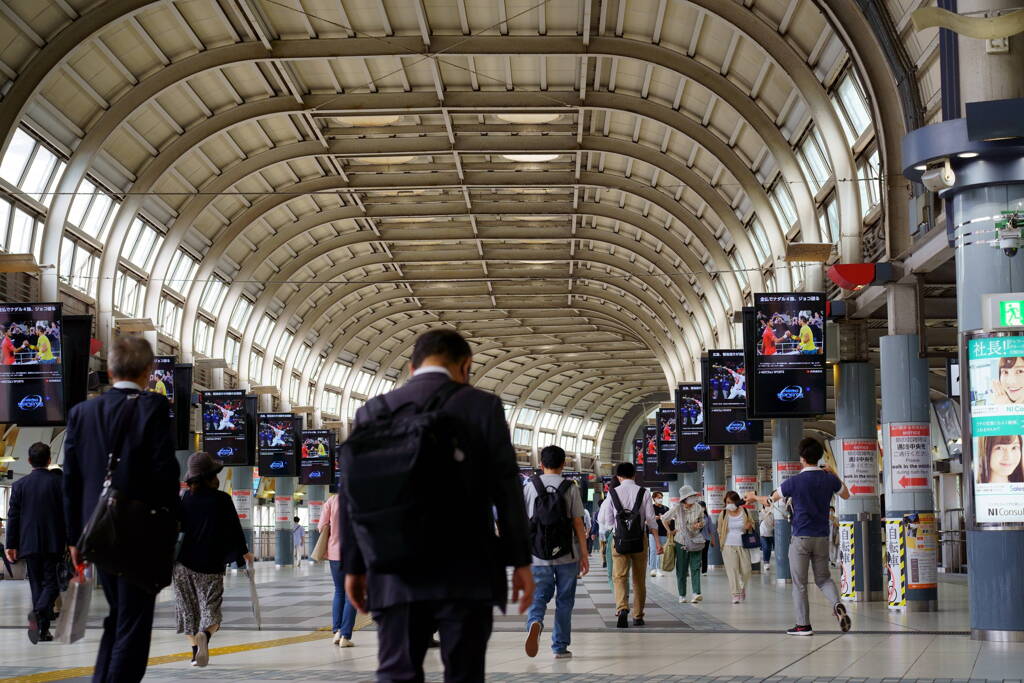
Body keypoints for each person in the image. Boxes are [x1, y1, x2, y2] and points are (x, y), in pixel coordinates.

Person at [341, 328, 533, 683]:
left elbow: (353, 493)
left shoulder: (374, 411)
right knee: (464, 673)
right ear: (466, 366)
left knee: (398, 672)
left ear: (411, 368)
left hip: (392, 569)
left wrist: (354, 566)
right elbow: (506, 487)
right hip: (467, 567)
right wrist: (520, 561)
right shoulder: (482, 406)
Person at [63, 335, 180, 682]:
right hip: (138, 533)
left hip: (96, 530)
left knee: (118, 617)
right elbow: (165, 474)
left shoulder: (81, 412)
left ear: (109, 370)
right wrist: (169, 525)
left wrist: (75, 537)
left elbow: (71, 480)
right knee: (133, 624)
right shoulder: (153, 407)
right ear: (148, 371)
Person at [746, 437, 852, 636]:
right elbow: (846, 494)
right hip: (822, 537)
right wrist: (834, 474)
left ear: (802, 458)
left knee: (800, 583)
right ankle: (837, 604)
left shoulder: (793, 482)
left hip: (801, 538)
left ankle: (803, 625)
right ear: (819, 456)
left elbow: (770, 501)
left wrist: (752, 497)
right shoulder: (829, 479)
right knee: (824, 579)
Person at [173, 452, 251, 668]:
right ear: (211, 477)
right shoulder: (222, 500)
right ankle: (205, 637)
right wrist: (243, 554)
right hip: (210, 565)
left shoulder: (184, 498)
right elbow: (235, 531)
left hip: (182, 565)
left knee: (188, 611)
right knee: (211, 611)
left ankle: (194, 653)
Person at [523, 445, 589, 659]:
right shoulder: (570, 487)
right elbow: (578, 523)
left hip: (536, 553)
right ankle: (559, 646)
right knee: (565, 600)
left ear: (541, 464)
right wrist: (584, 554)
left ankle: (535, 621)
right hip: (567, 554)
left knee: (538, 595)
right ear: (564, 465)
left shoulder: (529, 486)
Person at [5, 442, 65, 643]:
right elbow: (68, 515)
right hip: (54, 542)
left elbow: (13, 517)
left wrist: (10, 545)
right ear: (49, 460)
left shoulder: (19, 486)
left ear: (29, 461)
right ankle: (39, 613)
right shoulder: (59, 484)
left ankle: (42, 630)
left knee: (36, 585)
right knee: (53, 584)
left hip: (28, 543)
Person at [597, 462, 661, 628]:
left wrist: (617, 528)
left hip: (619, 541)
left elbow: (606, 520)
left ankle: (622, 608)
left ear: (618, 476)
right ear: (634, 475)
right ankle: (638, 615)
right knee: (639, 579)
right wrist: (658, 542)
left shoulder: (613, 493)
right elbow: (651, 520)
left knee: (619, 577)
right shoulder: (644, 492)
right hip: (640, 540)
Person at [319, 493, 357, 647]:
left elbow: (321, 527)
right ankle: (345, 636)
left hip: (335, 553)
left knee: (339, 591)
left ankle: (337, 632)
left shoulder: (333, 500)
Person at [663, 485, 704, 603]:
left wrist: (700, 524)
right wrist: (669, 531)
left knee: (695, 567)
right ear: (684, 498)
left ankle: (696, 593)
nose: (693, 498)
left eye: (693, 496)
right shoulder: (677, 508)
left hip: (696, 540)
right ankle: (682, 594)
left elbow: (702, 520)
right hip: (681, 541)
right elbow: (664, 518)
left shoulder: (698, 507)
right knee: (682, 569)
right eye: (690, 496)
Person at [718, 490, 756, 604]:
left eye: (731, 502)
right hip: (728, 545)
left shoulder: (745, 511)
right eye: (727, 502)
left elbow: (752, 524)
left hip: (743, 544)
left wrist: (749, 526)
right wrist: (721, 541)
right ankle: (735, 593)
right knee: (732, 570)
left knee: (746, 570)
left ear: (737, 502)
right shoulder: (723, 513)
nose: (729, 504)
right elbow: (719, 529)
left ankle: (742, 587)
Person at [648, 491, 669, 577]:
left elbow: (669, 519)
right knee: (653, 550)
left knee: (661, 551)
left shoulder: (666, 508)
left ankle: (659, 569)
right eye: (658, 497)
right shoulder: (651, 508)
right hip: (653, 533)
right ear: (654, 499)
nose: (660, 499)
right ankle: (652, 569)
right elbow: (648, 520)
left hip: (663, 532)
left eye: (661, 497)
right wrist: (657, 517)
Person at [759, 501, 775, 570]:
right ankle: (766, 562)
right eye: (766, 505)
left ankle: (767, 561)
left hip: (771, 533)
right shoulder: (761, 512)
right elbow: (763, 518)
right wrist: (768, 512)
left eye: (769, 505)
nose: (768, 506)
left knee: (769, 548)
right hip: (763, 532)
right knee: (766, 547)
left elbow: (774, 523)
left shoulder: (773, 513)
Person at [698, 500, 713, 574]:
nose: (701, 508)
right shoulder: (695, 517)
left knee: (704, 555)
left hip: (706, 539)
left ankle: (704, 571)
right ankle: (696, 569)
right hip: (696, 539)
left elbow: (711, 530)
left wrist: (712, 540)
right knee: (697, 555)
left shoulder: (708, 517)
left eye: (702, 507)